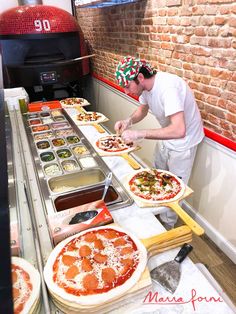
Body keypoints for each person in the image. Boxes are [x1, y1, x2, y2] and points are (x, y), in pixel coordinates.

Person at [114, 56, 204, 228]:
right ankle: (156, 214)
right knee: (157, 177)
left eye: (127, 86)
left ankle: (167, 225)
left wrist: (139, 134)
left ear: (140, 78)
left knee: (174, 189)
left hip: (184, 142)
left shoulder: (168, 88)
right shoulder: (145, 87)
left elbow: (179, 130)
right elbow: (142, 109)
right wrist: (128, 121)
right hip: (167, 137)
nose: (126, 91)